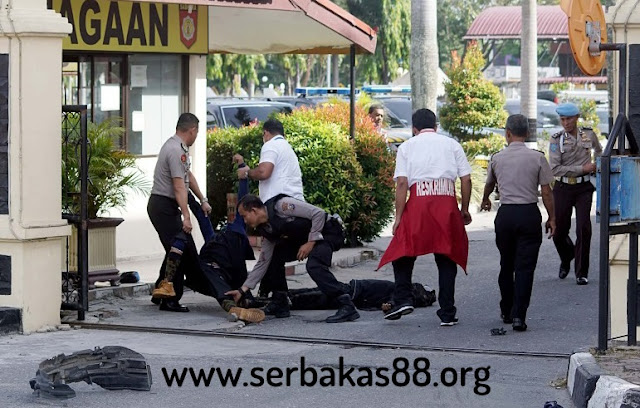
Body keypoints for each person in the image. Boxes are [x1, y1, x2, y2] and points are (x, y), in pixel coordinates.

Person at [377, 108, 472, 327]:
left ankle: (402, 299)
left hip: (419, 201)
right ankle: (447, 312)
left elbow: (402, 183)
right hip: (446, 202)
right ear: (436, 127)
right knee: (446, 257)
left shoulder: (407, 147)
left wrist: (398, 217)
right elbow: (466, 179)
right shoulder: (452, 144)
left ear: (414, 129)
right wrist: (464, 209)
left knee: (403, 252)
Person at [225, 193, 359, 323]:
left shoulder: (282, 206)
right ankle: (280, 301)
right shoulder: (266, 228)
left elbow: (318, 213)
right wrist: (243, 290)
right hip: (306, 239)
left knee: (314, 265)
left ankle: (346, 304)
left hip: (328, 232)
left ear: (253, 211)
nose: (244, 221)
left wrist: (311, 242)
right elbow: (263, 262)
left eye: (244, 216)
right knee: (274, 257)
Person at [481, 114, 556, 332]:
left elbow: (489, 184)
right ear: (528, 133)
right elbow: (547, 192)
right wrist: (552, 217)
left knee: (507, 263)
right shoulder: (538, 158)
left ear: (507, 133)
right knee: (525, 268)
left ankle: (506, 309)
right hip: (528, 213)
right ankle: (519, 316)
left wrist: (485, 199)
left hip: (505, 215)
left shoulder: (497, 158)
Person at [147, 113, 211, 313]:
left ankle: (161, 290)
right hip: (163, 207)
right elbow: (178, 187)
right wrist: (186, 216)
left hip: (164, 206)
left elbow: (187, 176)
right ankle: (170, 300)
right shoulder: (175, 150)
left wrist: (203, 199)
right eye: (197, 132)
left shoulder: (178, 148)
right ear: (192, 130)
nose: (196, 137)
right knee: (181, 251)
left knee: (174, 250)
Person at [549, 102, 602, 285]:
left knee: (583, 228)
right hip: (563, 188)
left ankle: (581, 272)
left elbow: (600, 152)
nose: (566, 123)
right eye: (562, 119)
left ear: (576, 118)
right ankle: (567, 257)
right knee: (559, 231)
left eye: (569, 119)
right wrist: (583, 168)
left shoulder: (588, 134)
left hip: (583, 188)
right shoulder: (556, 140)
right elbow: (555, 169)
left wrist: (597, 166)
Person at [236, 119, 304, 203]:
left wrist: (246, 173)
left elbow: (263, 172)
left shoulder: (270, 144)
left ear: (266, 133)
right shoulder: (288, 148)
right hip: (296, 202)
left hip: (279, 203)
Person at [289, 280, 436, 311]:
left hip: (356, 291)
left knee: (320, 292)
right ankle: (287, 300)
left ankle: (286, 296)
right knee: (319, 298)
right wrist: (390, 305)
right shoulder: (404, 291)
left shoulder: (403, 288)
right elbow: (395, 298)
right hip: (356, 292)